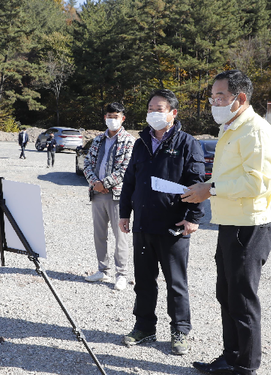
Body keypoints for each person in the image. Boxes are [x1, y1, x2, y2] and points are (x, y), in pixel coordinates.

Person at [181, 69, 271, 375]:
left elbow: (257, 184)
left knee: (242, 300)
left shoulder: (256, 131)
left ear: (240, 98)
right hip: (231, 225)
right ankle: (230, 357)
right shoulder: (231, 128)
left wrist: (210, 190)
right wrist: (211, 189)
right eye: (213, 97)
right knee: (226, 295)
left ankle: (247, 372)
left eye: (220, 97)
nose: (214, 102)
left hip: (249, 228)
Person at [119, 89, 205, 355]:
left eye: (160, 109)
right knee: (144, 281)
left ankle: (180, 330)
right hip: (144, 223)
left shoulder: (187, 143)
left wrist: (193, 218)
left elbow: (197, 184)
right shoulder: (141, 142)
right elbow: (130, 181)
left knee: (175, 282)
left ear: (173, 113)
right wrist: (124, 213)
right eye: (150, 109)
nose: (153, 113)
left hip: (173, 225)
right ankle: (144, 327)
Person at [83, 102, 135, 290]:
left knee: (120, 236)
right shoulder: (98, 140)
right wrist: (95, 183)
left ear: (123, 118)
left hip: (117, 195)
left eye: (116, 116)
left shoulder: (129, 140)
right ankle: (102, 270)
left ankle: (121, 274)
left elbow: (126, 168)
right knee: (99, 235)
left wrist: (105, 183)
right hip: (96, 194)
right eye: (109, 116)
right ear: (105, 117)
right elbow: (87, 162)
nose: (112, 120)